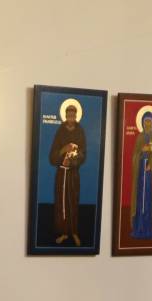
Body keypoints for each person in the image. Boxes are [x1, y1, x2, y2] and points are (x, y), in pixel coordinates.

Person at [50, 99, 87, 245]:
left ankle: (74, 232)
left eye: (73, 114)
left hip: (73, 174)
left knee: (73, 202)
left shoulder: (80, 131)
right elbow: (52, 156)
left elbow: (83, 153)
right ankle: (63, 233)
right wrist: (62, 151)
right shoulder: (60, 131)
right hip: (61, 173)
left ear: (76, 115)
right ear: (65, 115)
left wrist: (73, 160)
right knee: (61, 202)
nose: (70, 117)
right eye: (68, 114)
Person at [129, 109, 152, 240]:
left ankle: (147, 227)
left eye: (149, 121)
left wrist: (151, 163)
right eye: (145, 121)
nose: (147, 123)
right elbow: (134, 155)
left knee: (148, 197)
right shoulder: (140, 137)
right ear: (142, 122)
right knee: (140, 197)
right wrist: (141, 152)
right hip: (141, 173)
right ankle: (138, 226)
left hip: (149, 173)